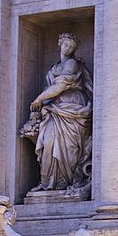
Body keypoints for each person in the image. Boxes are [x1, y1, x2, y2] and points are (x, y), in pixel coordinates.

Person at [23, 33, 93, 194]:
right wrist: (42, 107)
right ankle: (48, 182)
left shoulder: (72, 64)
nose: (68, 48)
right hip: (55, 108)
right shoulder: (54, 67)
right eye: (66, 45)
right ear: (60, 44)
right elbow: (53, 91)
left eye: (71, 47)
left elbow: (60, 87)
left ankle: (66, 182)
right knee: (48, 142)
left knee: (69, 147)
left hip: (72, 107)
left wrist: (39, 99)